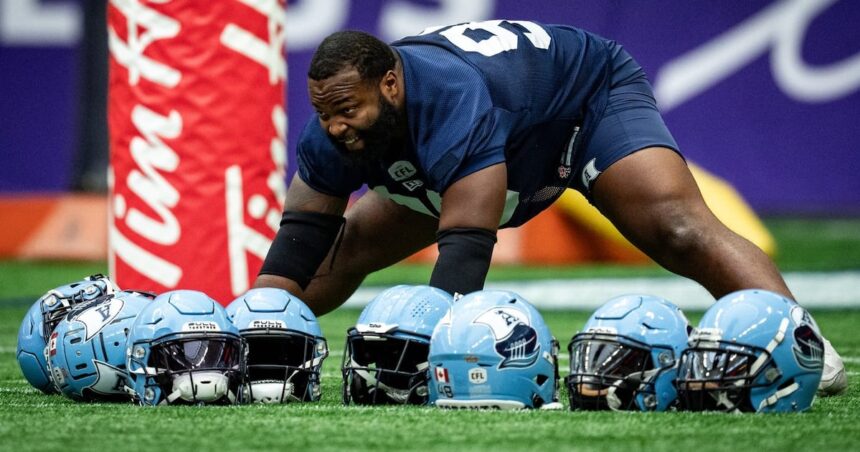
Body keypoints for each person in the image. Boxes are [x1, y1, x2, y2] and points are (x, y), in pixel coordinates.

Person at [253, 20, 845, 395]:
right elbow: (297, 244)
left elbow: (465, 253)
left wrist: (431, 361)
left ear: (390, 85)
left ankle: (803, 344)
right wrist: (255, 331)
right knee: (346, 246)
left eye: (347, 111)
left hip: (582, 102)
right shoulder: (334, 126)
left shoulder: (450, 98)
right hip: (484, 146)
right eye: (324, 113)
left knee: (677, 228)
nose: (336, 127)